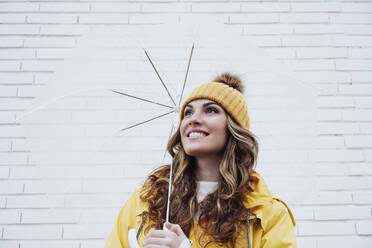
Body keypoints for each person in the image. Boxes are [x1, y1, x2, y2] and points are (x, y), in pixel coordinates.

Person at [104, 72, 297, 248]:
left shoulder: (267, 215)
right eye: (188, 112)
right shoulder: (145, 202)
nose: (193, 119)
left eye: (211, 110)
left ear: (234, 128)